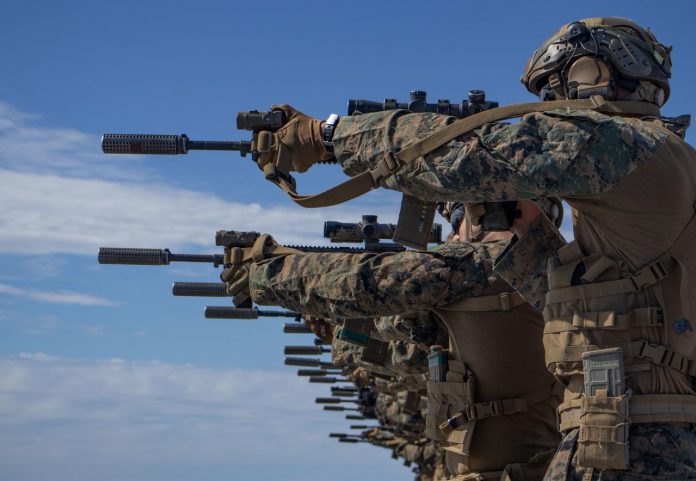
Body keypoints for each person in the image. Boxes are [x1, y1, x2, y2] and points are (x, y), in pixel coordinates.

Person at [249, 17, 696, 480]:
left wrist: (328, 137)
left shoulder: (623, 142)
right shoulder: (663, 172)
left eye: (554, 91)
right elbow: (614, 308)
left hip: (624, 435)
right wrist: (528, 239)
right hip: (636, 429)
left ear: (592, 74)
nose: (550, 108)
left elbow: (465, 154)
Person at [225, 201, 564, 480]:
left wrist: (267, 275)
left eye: (459, 217)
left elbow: (366, 283)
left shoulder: (485, 264)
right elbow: (406, 336)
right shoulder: (552, 268)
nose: (455, 232)